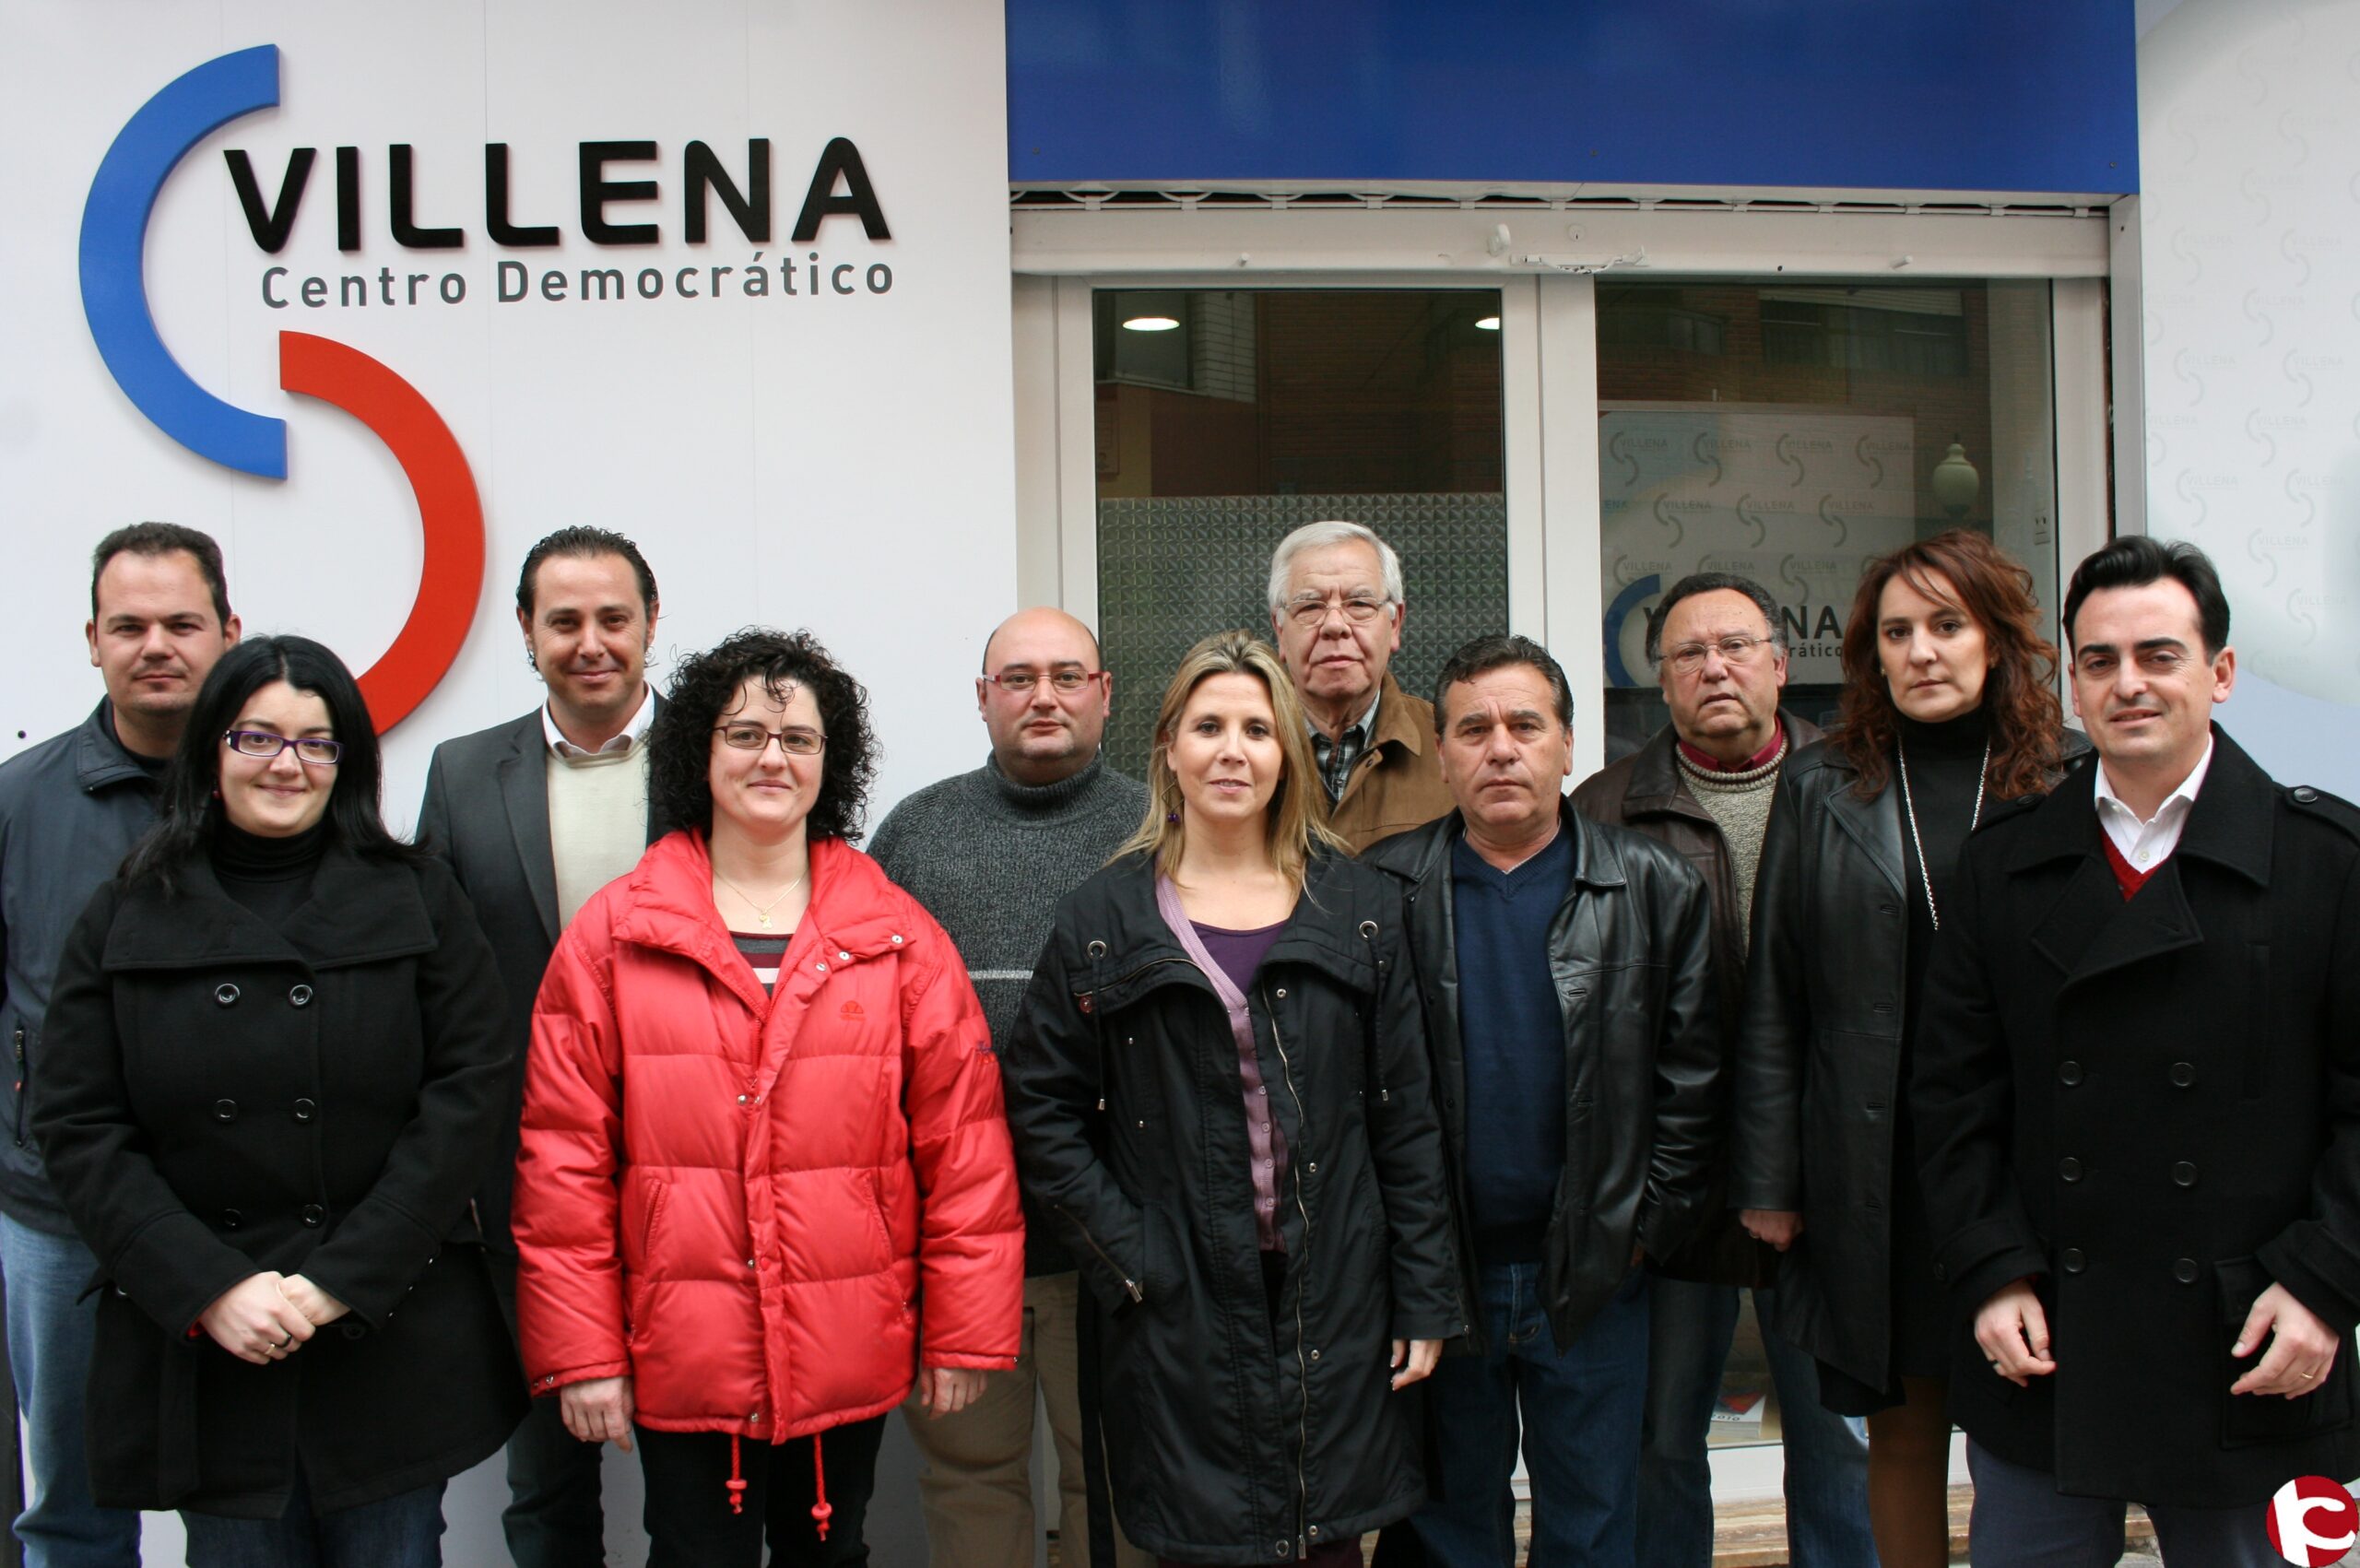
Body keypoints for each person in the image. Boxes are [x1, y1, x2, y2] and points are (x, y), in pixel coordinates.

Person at [513, 628, 1024, 1568]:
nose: (772, 759)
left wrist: (963, 1331)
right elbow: (562, 1164)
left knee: (830, 1553)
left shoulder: (897, 936)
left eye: (798, 739)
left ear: (831, 761)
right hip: (682, 1347)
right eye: (745, 734)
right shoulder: (615, 934)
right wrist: (581, 1352)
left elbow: (965, 1151)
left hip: (847, 1338)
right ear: (699, 752)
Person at [1914, 536, 2360, 1565]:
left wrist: (2326, 1284)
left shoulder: (2326, 861)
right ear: (2072, 683)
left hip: (2259, 1342)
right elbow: (1951, 1096)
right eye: (2099, 660)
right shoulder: (2002, 862)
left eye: (2159, 655)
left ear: (2221, 671)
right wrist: (1989, 1269)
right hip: (2046, 1337)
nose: (2128, 684)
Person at [33, 635, 524, 1566]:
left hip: (383, 1329)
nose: (286, 765)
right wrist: (208, 1288)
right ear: (211, 748)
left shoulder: (417, 894)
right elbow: (77, 1121)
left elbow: (470, 1092)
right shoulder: (129, 907)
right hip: (213, 1347)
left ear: (348, 760)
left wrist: (346, 1277)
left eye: (316, 741)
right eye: (257, 737)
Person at [1004, 630, 1459, 1567]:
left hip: (1337, 1294)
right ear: (1168, 746)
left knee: (1327, 1539)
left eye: (1257, 728)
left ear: (1286, 751)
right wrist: (1131, 1254)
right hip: (1181, 1299)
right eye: (1208, 726)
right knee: (1203, 1542)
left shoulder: (1359, 906)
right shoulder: (1103, 919)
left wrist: (1422, 1293)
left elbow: (1406, 1118)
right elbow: (1041, 1110)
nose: (1232, 751)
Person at [1730, 529, 2072, 1568]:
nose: (1921, 651)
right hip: (1878, 1163)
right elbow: (1776, 993)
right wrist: (1770, 1180)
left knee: (2038, 1430)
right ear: (1870, 654)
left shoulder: (2069, 774)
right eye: (1896, 632)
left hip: (2035, 1158)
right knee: (1904, 1426)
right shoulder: (1822, 784)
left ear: (1994, 638)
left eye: (1946, 625)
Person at [1363, 633, 1717, 1565]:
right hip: (1441, 1278)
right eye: (1472, 730)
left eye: (1525, 725)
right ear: (1442, 755)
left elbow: (1694, 1078)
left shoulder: (1653, 885)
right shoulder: (1381, 889)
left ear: (1567, 745)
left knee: (1594, 1528)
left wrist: (1642, 1230)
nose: (1500, 749)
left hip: (1595, 1276)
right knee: (1447, 1532)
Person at [1571, 574, 1871, 1568]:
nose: (1715, 669)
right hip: (1674, 1182)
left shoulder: (1855, 789)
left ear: (1780, 664)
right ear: (1660, 682)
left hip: (1823, 1172)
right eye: (1688, 654)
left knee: (1837, 1431)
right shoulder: (1607, 809)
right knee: (1661, 1435)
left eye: (1736, 646)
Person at [868, 607, 1153, 1568]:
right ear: (982, 698)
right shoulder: (915, 832)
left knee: (1111, 1483)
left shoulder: (1159, 828)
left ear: (1104, 695)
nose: (1043, 696)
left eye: (1067, 676)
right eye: (1018, 678)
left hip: (1109, 1243)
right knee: (971, 1481)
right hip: (956, 1243)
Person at [416, 525, 662, 1568]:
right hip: (530, 1175)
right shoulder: (465, 773)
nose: (590, 642)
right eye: (564, 620)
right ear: (526, 630)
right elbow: (433, 981)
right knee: (546, 1479)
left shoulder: (722, 758)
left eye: (613, 618)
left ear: (652, 623)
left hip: (697, 1166)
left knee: (699, 1479)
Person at [0, 522, 240, 1568]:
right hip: (60, 1217)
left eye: (182, 623)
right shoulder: (20, 800)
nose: (157, 646)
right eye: (130, 625)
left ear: (229, 633)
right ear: (91, 639)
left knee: (240, 1497)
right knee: (71, 1502)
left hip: (238, 1212)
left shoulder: (279, 793)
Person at [1268, 521, 1453, 853]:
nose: (1335, 625)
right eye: (1310, 607)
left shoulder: (1451, 748)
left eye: (1359, 604)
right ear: (1280, 631)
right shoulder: (1241, 751)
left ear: (1395, 624)